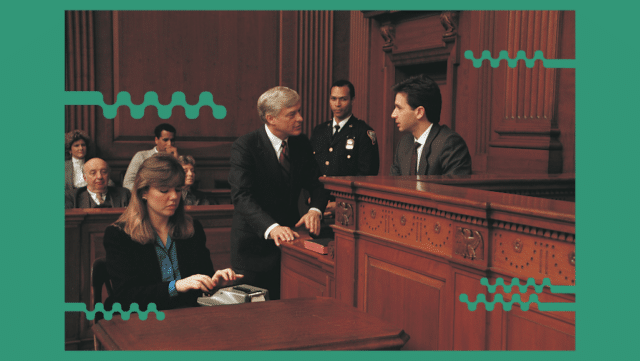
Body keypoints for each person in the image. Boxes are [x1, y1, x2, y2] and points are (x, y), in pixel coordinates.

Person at [103, 154, 242, 311]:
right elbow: (126, 295)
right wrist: (175, 286)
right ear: (143, 192)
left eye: (178, 189)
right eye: (164, 190)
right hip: (142, 317)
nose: (174, 197)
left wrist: (214, 283)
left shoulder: (193, 228)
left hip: (186, 314)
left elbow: (201, 278)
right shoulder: (118, 235)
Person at [229, 86, 328, 300]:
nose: (300, 118)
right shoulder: (245, 146)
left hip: (290, 247)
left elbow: (319, 184)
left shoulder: (301, 143)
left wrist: (315, 210)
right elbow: (241, 197)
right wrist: (272, 227)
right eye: (292, 114)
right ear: (271, 118)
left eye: (299, 111)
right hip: (253, 248)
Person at [390, 74, 472, 176]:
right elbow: (393, 185)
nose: (393, 115)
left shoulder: (451, 144)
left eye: (399, 108)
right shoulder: (404, 144)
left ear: (419, 112)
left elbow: (454, 190)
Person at [311, 79, 379, 178]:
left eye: (343, 99)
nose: (337, 104)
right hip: (318, 192)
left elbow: (368, 173)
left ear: (352, 100)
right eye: (333, 99)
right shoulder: (319, 130)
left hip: (346, 193)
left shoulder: (363, 132)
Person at [122, 123, 179, 190]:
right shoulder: (141, 156)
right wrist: (145, 193)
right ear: (156, 140)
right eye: (165, 140)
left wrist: (176, 161)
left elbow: (180, 183)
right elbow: (127, 183)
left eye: (172, 140)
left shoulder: (176, 158)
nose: (169, 144)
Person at [65, 158, 131, 209]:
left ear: (109, 175)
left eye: (104, 172)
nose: (99, 176)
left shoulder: (124, 194)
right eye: (93, 173)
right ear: (85, 178)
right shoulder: (72, 197)